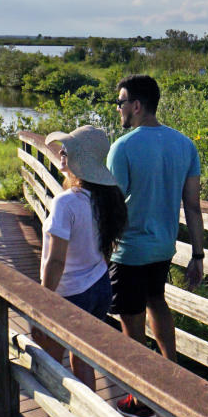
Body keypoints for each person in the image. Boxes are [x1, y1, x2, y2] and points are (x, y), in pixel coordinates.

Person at [106, 74, 205, 417]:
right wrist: (198, 255)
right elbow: (192, 206)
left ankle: (143, 398)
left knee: (132, 327)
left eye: (120, 102)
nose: (118, 109)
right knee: (156, 302)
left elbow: (111, 208)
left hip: (129, 251)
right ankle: (173, 378)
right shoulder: (184, 145)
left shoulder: (123, 147)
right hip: (163, 248)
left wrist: (99, 255)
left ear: (136, 105)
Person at [33, 125, 128, 394]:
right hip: (99, 288)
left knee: (50, 363)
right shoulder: (105, 199)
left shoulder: (66, 203)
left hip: (70, 294)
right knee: (82, 360)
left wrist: (42, 302)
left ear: (80, 159)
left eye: (68, 149)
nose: (61, 151)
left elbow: (55, 262)